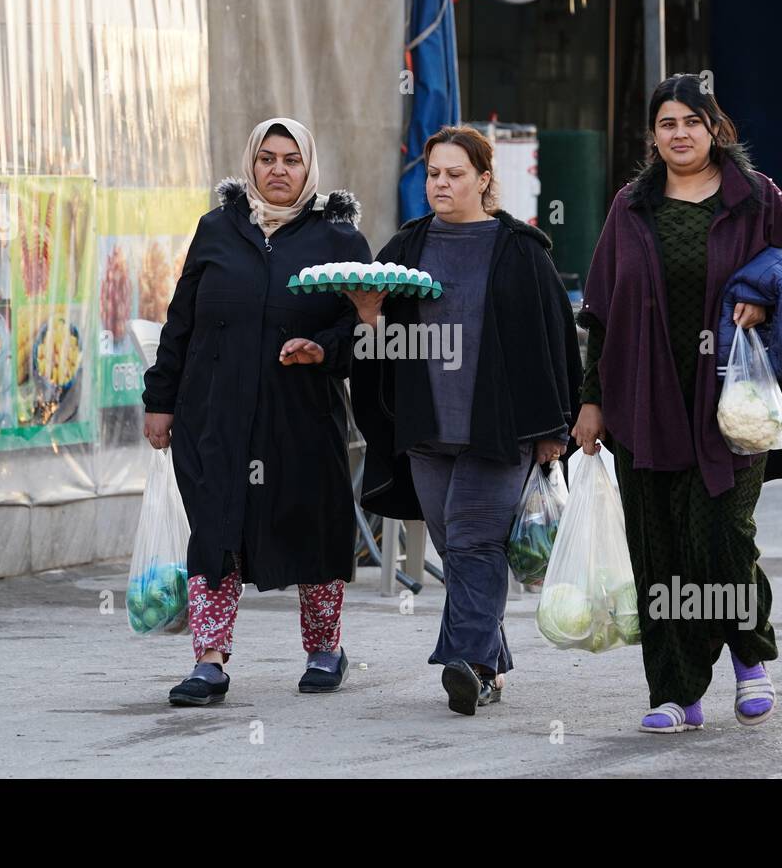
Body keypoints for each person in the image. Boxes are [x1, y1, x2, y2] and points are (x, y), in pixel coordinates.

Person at [572, 75, 782, 733]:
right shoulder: (629, 210)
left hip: (734, 406)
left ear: (716, 129)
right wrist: (591, 402)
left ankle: (750, 655)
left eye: (693, 121)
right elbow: (601, 317)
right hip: (645, 400)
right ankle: (675, 693)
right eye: (668, 123)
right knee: (657, 549)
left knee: (719, 537)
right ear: (653, 136)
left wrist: (768, 299)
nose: (681, 133)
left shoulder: (758, 200)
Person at [349, 125, 583, 716]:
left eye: (455, 174)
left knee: (476, 543)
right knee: (456, 548)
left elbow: (554, 342)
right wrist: (370, 317)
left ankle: (470, 667)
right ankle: (491, 662)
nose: (441, 184)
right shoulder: (404, 248)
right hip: (427, 431)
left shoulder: (521, 250)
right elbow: (378, 351)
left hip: (499, 429)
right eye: (433, 174)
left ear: (484, 179)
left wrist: (555, 428)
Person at [142, 117, 371, 706]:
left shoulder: (339, 239)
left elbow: (363, 328)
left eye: (291, 160)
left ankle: (325, 648)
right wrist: (160, 400)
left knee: (313, 521)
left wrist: (324, 348)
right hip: (214, 413)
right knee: (216, 528)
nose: (278, 170)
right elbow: (181, 320)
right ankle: (209, 660)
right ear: (251, 164)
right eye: (267, 159)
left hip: (302, 414)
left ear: (308, 167)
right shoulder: (218, 229)